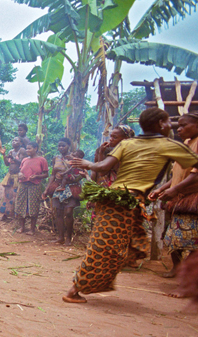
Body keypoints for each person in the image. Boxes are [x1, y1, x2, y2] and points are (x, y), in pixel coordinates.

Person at [63, 107, 198, 304]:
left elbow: (102, 167)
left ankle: (82, 285)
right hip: (124, 202)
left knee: (113, 246)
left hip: (119, 200)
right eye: (170, 122)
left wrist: (88, 164)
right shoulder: (167, 144)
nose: (175, 126)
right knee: (105, 248)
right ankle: (74, 290)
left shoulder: (129, 144)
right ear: (160, 124)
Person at [149, 111, 198, 280]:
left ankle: (189, 278)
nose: (180, 129)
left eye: (184, 126)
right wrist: (163, 188)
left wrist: (175, 190)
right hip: (180, 199)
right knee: (173, 237)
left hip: (193, 199)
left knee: (190, 241)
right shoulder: (186, 143)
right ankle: (177, 269)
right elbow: (177, 173)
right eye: (179, 126)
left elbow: (195, 174)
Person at [45, 138, 82, 245]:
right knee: (58, 212)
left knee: (69, 212)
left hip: (71, 187)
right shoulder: (56, 158)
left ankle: (68, 238)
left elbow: (80, 173)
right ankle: (60, 237)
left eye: (63, 145)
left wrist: (74, 178)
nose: (61, 148)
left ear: (69, 146)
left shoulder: (75, 158)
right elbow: (52, 175)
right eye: (59, 146)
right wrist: (47, 189)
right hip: (58, 186)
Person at [15, 142, 48, 235]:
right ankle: (22, 227)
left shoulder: (42, 160)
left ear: (35, 148)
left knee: (33, 206)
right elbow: (20, 171)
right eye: (27, 148)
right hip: (23, 185)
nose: (27, 150)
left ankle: (32, 229)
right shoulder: (24, 159)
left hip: (34, 185)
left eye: (29, 148)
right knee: (21, 204)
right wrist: (20, 174)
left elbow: (46, 174)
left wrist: (37, 176)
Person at [0, 137, 26, 221]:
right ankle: (6, 214)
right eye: (13, 140)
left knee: (15, 195)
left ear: (20, 143)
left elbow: (23, 162)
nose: (14, 142)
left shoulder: (22, 150)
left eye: (16, 140)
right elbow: (7, 164)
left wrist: (13, 158)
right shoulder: (11, 151)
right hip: (10, 175)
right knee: (7, 194)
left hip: (17, 176)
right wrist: (4, 155)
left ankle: (15, 216)